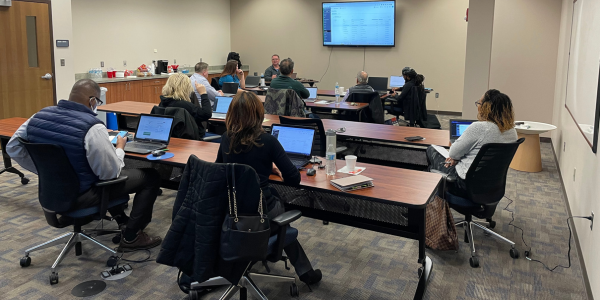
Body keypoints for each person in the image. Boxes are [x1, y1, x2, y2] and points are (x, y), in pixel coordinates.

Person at [6, 79, 162, 250]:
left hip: (50, 191)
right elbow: (110, 173)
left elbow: (13, 147)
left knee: (97, 169)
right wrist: (119, 148)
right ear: (92, 101)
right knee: (150, 176)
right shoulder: (92, 127)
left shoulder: (38, 116)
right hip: (81, 195)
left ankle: (122, 221)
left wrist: (45, 171)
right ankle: (132, 237)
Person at [215, 91, 322, 285]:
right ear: (258, 114)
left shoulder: (225, 138)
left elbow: (220, 170)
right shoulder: (268, 141)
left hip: (232, 211)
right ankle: (306, 273)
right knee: (281, 216)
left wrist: (264, 167)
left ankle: (306, 271)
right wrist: (272, 167)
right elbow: (294, 179)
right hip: (261, 211)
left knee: (278, 217)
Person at [426, 89, 517, 199]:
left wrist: (456, 158)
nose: (478, 106)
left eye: (479, 103)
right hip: (493, 187)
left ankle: (431, 203)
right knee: (451, 160)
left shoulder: (480, 127)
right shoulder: (512, 131)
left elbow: (453, 152)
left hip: (464, 186)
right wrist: (457, 158)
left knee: (431, 150)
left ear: (486, 107)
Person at [160, 73, 218, 139]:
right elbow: (206, 114)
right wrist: (203, 94)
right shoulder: (184, 104)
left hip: (172, 137)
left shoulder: (163, 102)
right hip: (193, 138)